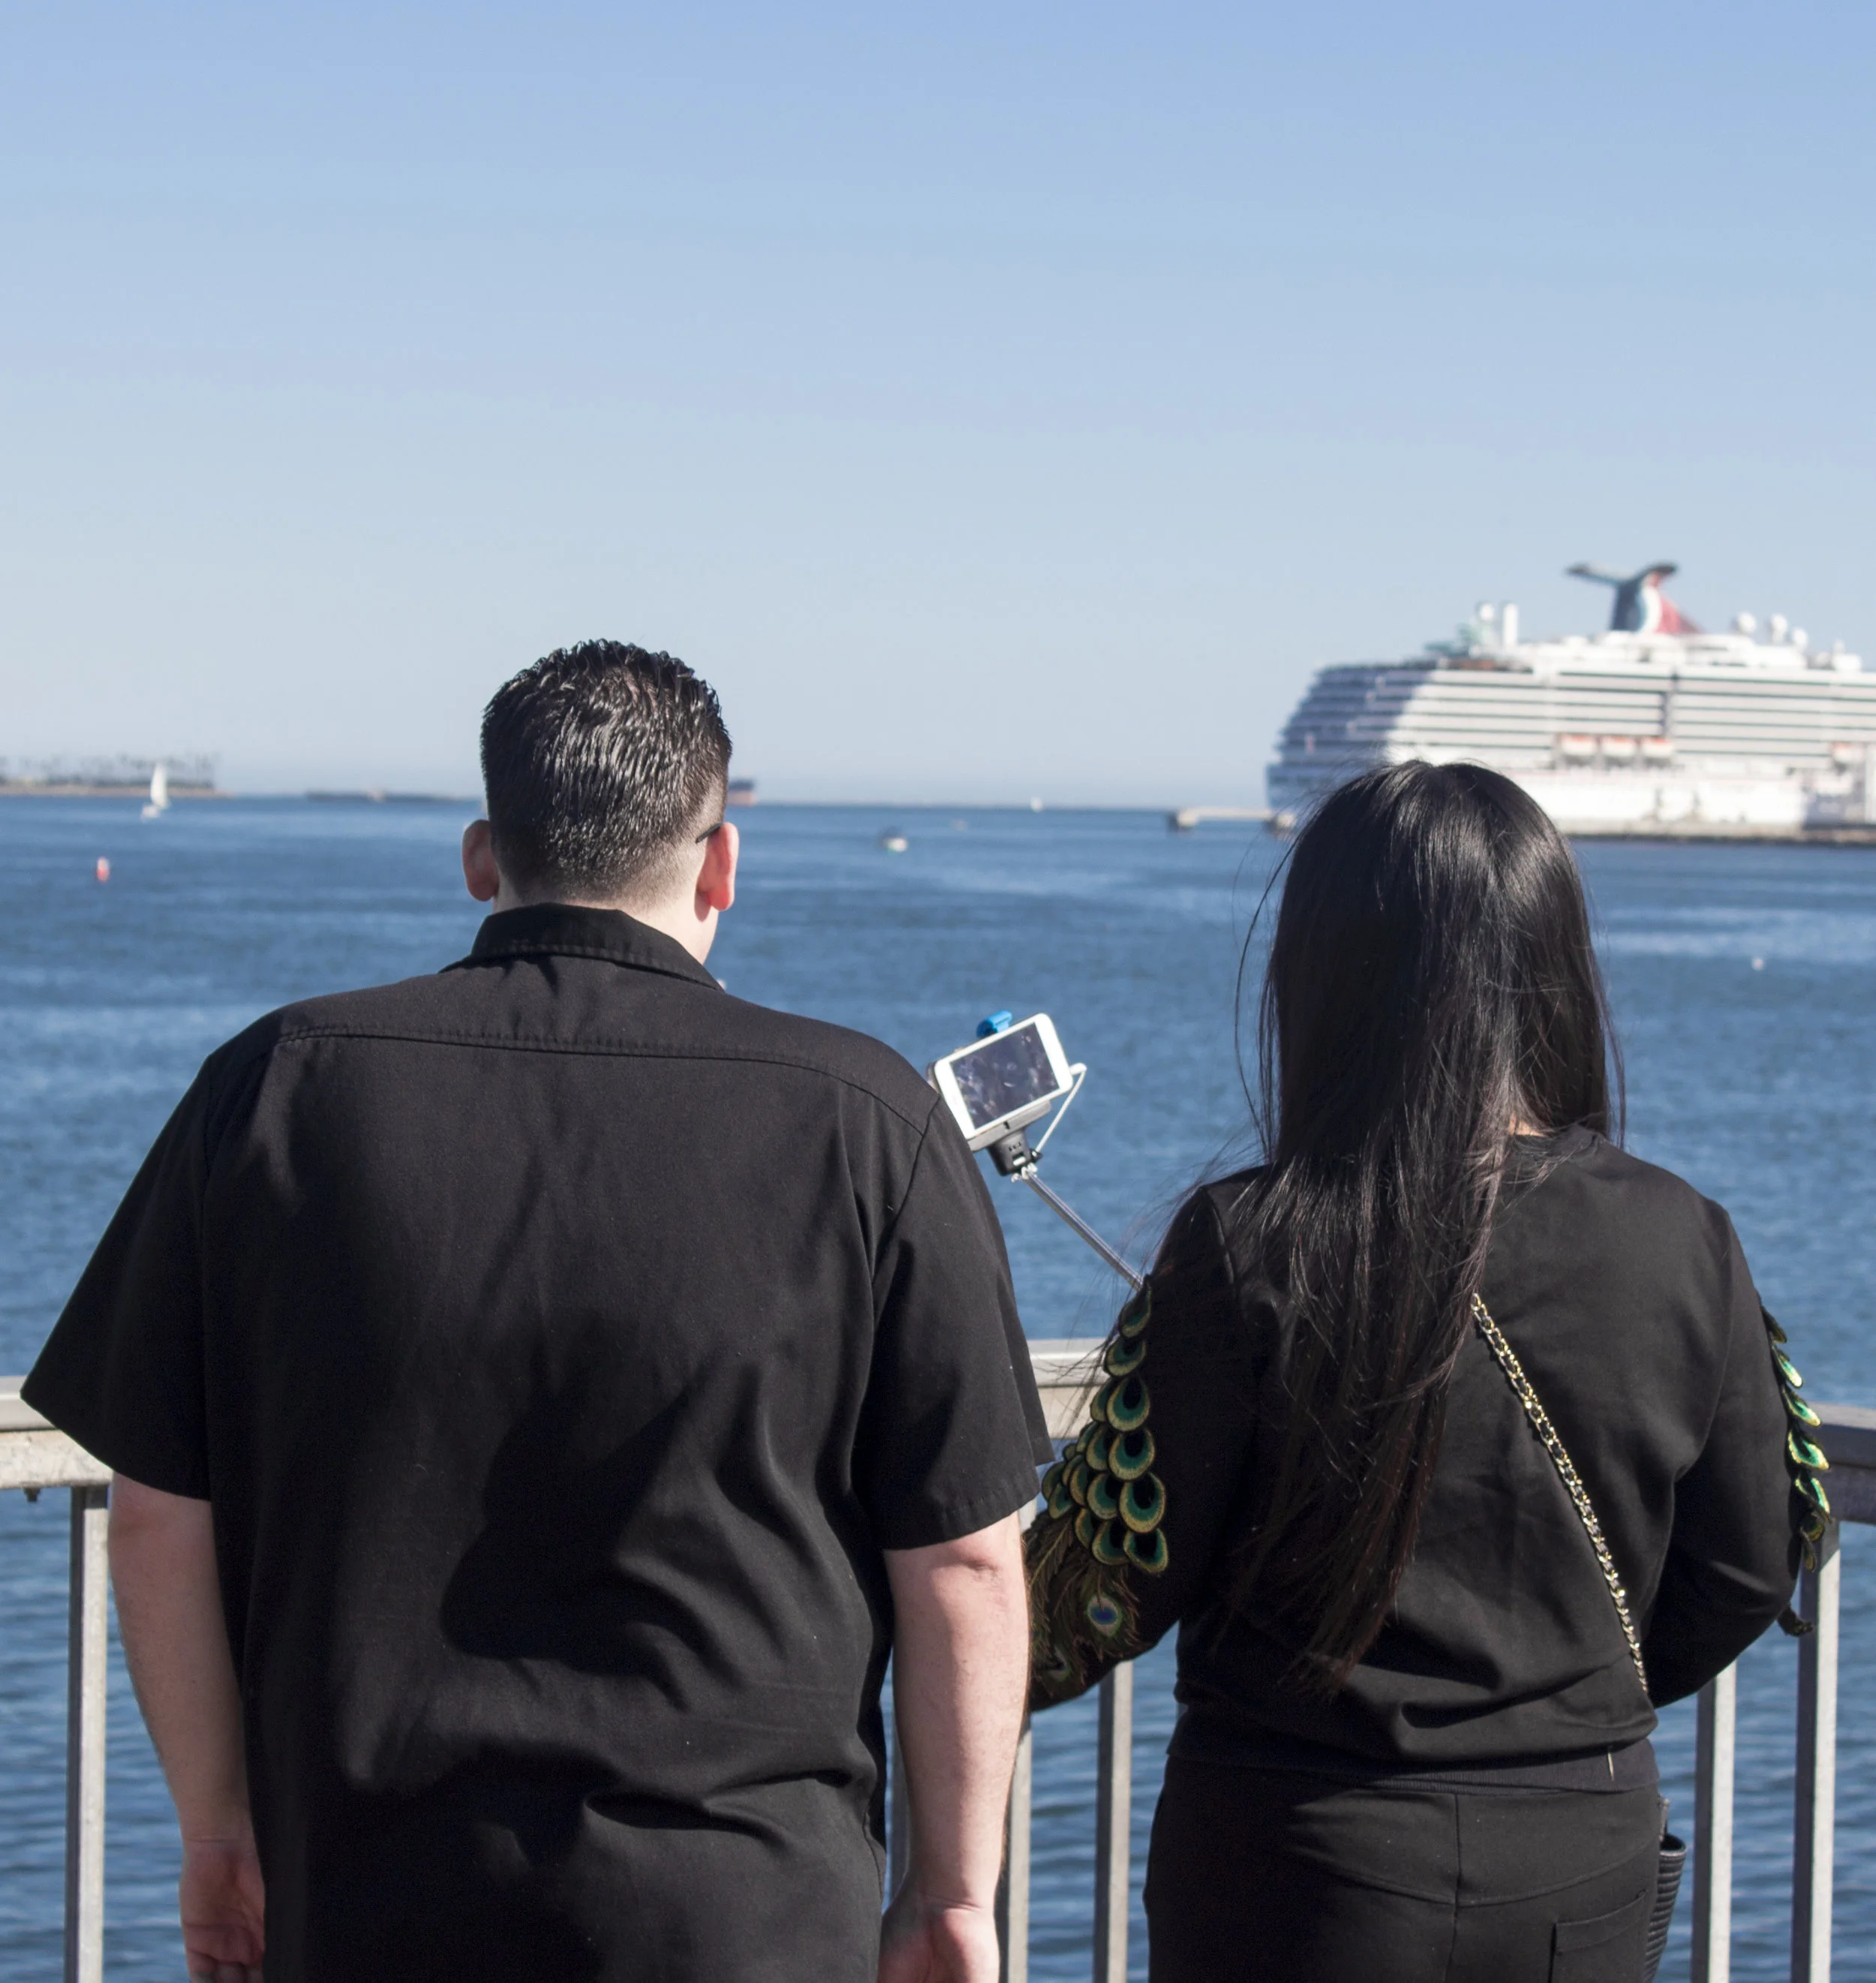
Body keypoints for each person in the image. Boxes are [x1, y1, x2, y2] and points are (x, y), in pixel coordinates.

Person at [26, 641, 1048, 1983]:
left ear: (479, 856)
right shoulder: (869, 1125)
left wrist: (220, 1833)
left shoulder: (274, 1088)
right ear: (721, 863)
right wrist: (949, 1896)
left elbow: (155, 1510)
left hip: (370, 1905)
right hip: (742, 1918)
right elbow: (968, 1562)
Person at [1026, 761, 1811, 1983]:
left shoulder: (1246, 1242)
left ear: (1324, 973)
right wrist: (1561, 1703)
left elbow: (1095, 1581)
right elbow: (1759, 1550)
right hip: (1576, 1854)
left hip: (1298, 1863)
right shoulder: (1686, 1236)